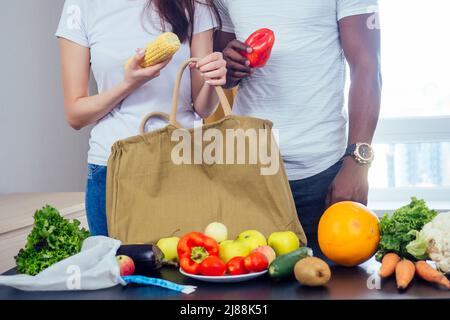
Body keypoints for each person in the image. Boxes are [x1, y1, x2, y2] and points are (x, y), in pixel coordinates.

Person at [215, 0, 382, 255]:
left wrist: (357, 163)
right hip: (247, 172)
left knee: (333, 286)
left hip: (323, 173)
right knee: (250, 288)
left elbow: (366, 66)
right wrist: (229, 66)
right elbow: (222, 72)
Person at [56, 0, 227, 236]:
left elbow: (203, 107)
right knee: (116, 270)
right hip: (114, 168)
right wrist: (129, 83)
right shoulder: (82, 6)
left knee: (180, 270)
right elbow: (75, 114)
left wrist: (214, 77)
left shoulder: (195, 4)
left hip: (182, 164)